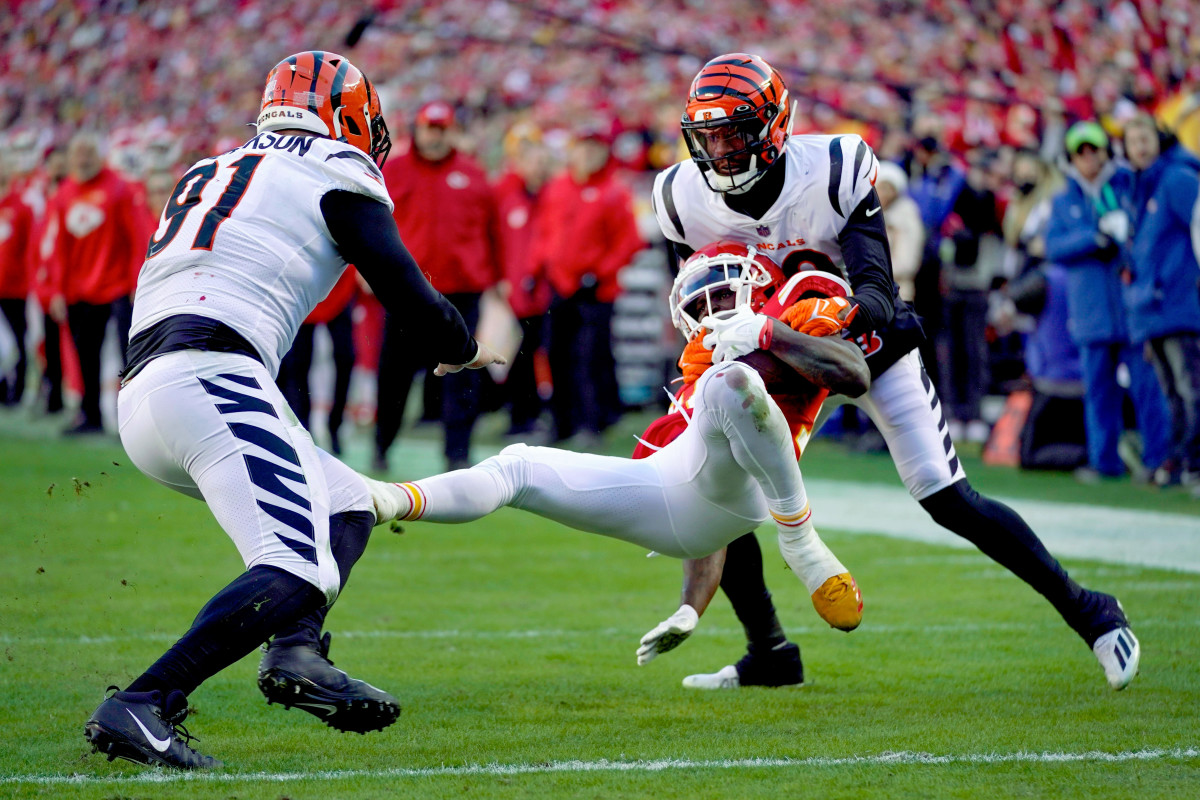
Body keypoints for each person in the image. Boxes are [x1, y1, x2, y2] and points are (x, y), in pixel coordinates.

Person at [649, 54, 1140, 692]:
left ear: (774, 126)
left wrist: (801, 330)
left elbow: (878, 291)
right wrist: (732, 341)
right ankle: (769, 651)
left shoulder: (831, 170)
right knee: (718, 478)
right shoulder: (681, 197)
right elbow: (694, 300)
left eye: (736, 131)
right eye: (708, 135)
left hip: (858, 342)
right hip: (766, 354)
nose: (721, 149)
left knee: (943, 493)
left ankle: (1092, 612)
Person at [83, 51, 504, 770]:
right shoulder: (336, 170)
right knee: (300, 566)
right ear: (347, 115)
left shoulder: (208, 168)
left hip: (155, 385)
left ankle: (297, 653)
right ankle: (146, 701)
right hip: (213, 376)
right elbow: (406, 292)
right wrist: (463, 346)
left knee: (346, 502)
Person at [368, 243, 869, 657]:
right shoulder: (699, 366)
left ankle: (801, 541)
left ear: (758, 290)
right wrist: (690, 608)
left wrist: (768, 332)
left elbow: (853, 373)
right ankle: (388, 500)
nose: (707, 312)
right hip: (678, 498)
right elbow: (707, 505)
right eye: (696, 307)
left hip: (756, 492)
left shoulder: (789, 317)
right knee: (518, 466)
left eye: (717, 296)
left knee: (731, 380)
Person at [375, 100, 502, 471]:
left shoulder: (473, 175)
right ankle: (383, 445)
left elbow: (492, 232)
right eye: (429, 127)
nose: (435, 135)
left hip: (461, 292)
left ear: (452, 131)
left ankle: (458, 454)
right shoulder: (393, 172)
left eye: (441, 128)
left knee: (462, 374)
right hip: (407, 292)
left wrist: (497, 278)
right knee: (395, 375)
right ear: (417, 129)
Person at [1044, 121, 1170, 484]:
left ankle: (1157, 461)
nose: (1088, 158)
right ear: (1072, 157)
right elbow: (1053, 248)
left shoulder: (1126, 185)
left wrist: (1121, 232)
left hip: (1131, 309)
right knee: (1099, 392)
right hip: (1091, 313)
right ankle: (1105, 463)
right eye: (1081, 152)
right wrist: (1094, 236)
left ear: (1104, 151)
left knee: (1147, 387)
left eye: (1093, 150)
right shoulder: (1064, 199)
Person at [534, 126, 644, 444]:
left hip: (596, 291)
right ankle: (560, 422)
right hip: (560, 285)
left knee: (589, 357)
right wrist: (538, 267)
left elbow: (629, 241)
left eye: (594, 149)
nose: (587, 155)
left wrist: (600, 272)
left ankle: (591, 423)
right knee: (555, 354)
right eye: (582, 148)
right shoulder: (557, 188)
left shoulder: (614, 191)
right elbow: (545, 233)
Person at [45, 133, 146, 433]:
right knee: (85, 357)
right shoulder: (64, 193)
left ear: (99, 156)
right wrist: (57, 290)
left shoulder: (119, 188)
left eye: (89, 152)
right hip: (78, 292)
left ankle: (133, 421)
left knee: (126, 357)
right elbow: (58, 247)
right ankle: (90, 417)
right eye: (78, 153)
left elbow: (135, 239)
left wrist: (134, 283)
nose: (83, 159)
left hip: (115, 288)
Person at [1122, 114, 1200, 493]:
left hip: (1177, 304)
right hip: (1151, 308)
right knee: (1172, 392)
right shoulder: (1142, 187)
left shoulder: (1177, 179)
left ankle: (1194, 463)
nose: (1138, 145)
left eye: (1145, 137)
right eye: (1131, 139)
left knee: (1190, 388)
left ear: (1161, 138)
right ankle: (1181, 461)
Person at [493, 122, 553, 437]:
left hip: (540, 293)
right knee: (514, 357)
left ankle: (530, 416)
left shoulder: (548, 195)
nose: (537, 167)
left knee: (535, 356)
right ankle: (518, 417)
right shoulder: (505, 193)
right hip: (512, 294)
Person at [0, 158, 35, 406]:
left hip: (15, 288)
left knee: (19, 339)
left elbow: (29, 248)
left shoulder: (21, 207)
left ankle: (19, 389)